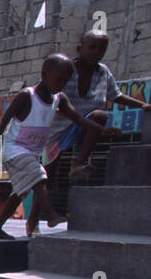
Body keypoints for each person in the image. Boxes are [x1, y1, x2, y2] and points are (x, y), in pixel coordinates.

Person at [0, 54, 118, 240]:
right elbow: (3, 122)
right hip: (14, 150)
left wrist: (101, 129)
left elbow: (79, 119)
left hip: (31, 153)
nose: (61, 84)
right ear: (44, 73)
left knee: (20, 192)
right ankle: (51, 215)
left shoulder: (59, 99)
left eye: (65, 81)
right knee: (40, 176)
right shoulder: (27, 96)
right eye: (58, 79)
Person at [43, 30, 150, 201]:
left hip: (85, 124)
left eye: (101, 49)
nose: (96, 52)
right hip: (56, 128)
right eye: (92, 47)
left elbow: (117, 96)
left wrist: (143, 105)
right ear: (80, 48)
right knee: (47, 176)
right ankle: (41, 215)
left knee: (100, 115)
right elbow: (47, 95)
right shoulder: (66, 69)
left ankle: (78, 163)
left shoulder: (103, 72)